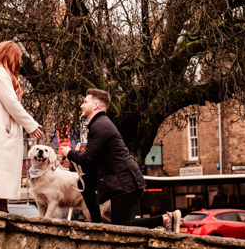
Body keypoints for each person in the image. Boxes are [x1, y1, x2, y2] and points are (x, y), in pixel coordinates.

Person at [59, 89, 180, 231]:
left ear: (96, 105)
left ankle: (166, 219)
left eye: (85, 102)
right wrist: (72, 165)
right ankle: (96, 221)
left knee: (122, 228)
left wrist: (69, 152)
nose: (81, 105)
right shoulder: (99, 124)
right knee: (84, 182)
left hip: (125, 183)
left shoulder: (100, 126)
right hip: (120, 182)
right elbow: (93, 163)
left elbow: (87, 158)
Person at [0, 41, 44, 211]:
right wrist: (31, 125)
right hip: (0, 132)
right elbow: (12, 104)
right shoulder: (0, 75)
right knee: (0, 169)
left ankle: (2, 210)